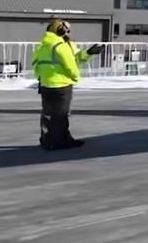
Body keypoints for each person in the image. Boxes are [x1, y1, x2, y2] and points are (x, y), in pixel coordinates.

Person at [32, 19, 104, 150]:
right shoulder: (61, 45)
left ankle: (47, 140)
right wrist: (75, 77)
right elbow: (70, 65)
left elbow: (36, 64)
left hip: (46, 85)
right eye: (66, 30)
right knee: (61, 115)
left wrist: (89, 53)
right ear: (59, 30)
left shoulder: (43, 45)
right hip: (62, 85)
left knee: (48, 114)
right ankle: (58, 142)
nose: (68, 32)